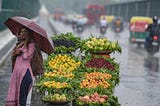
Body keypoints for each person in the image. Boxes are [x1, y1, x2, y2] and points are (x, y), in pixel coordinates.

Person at [6, 26, 44, 106]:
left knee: (22, 97)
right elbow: (15, 56)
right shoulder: (19, 43)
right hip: (17, 74)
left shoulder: (31, 44)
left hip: (25, 74)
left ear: (28, 34)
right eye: (21, 32)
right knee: (17, 94)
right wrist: (19, 48)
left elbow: (26, 56)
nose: (22, 34)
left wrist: (24, 45)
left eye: (25, 32)